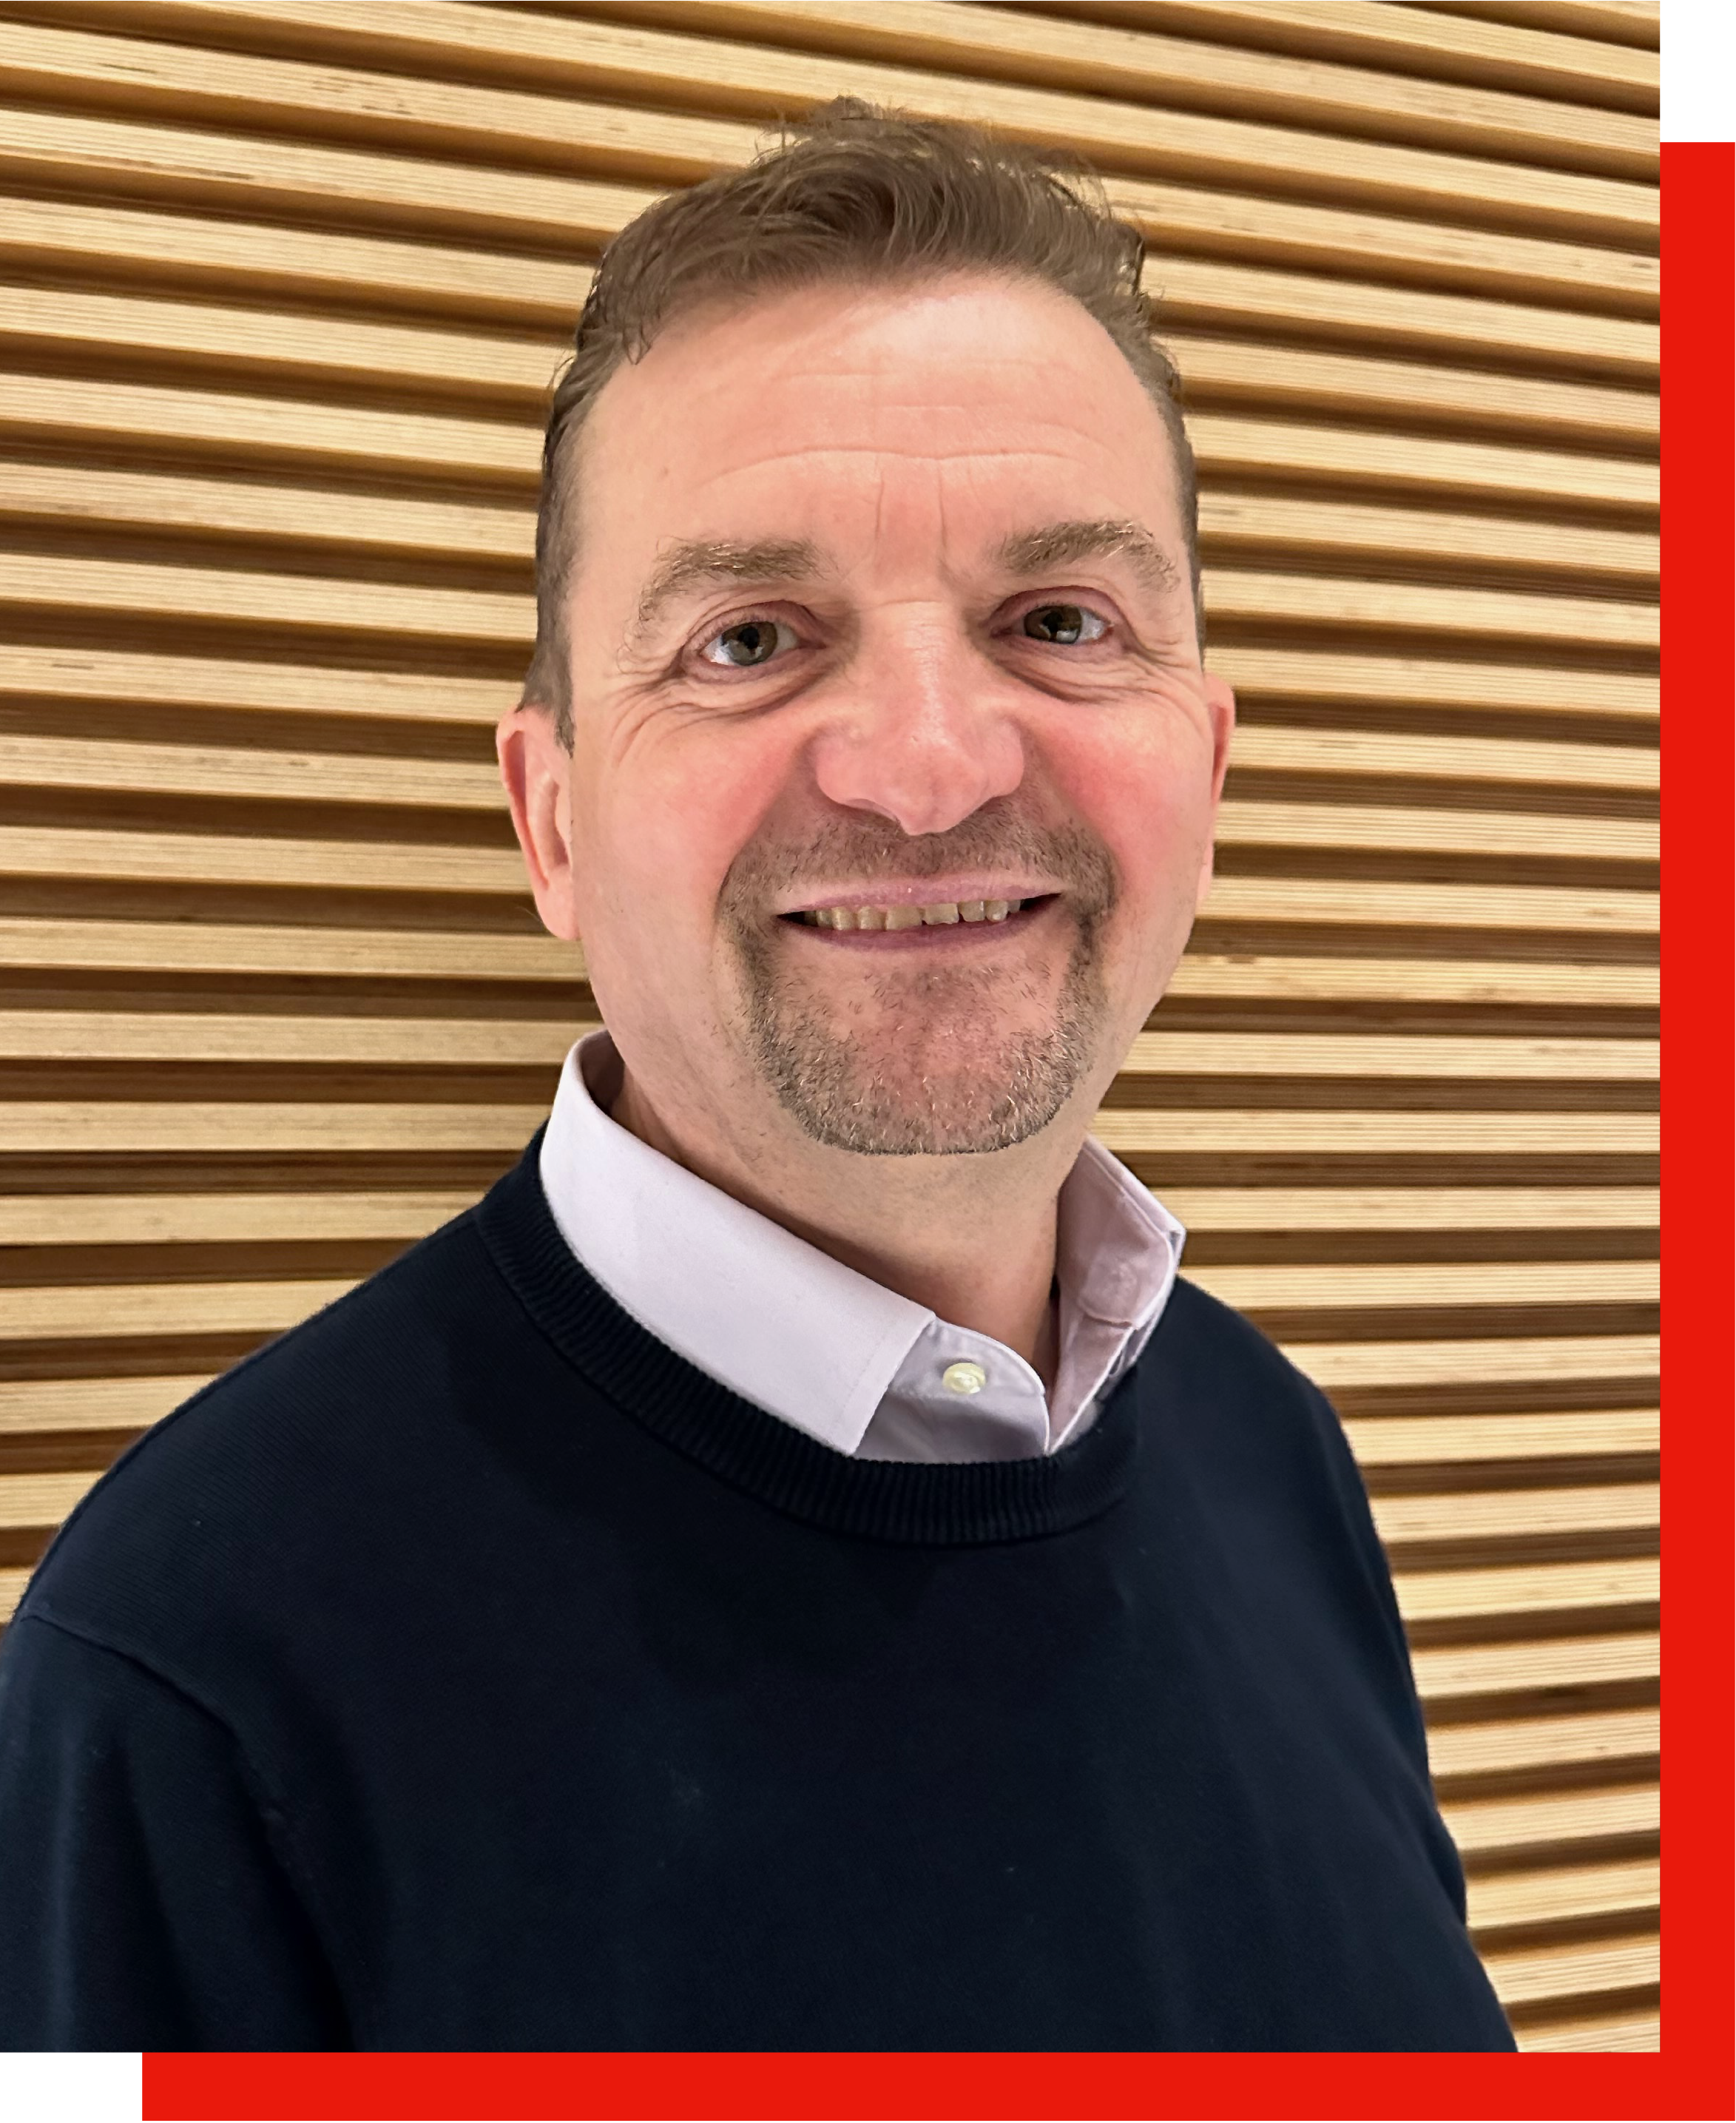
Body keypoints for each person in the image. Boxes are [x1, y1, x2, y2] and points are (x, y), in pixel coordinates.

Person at [0, 103, 1514, 2051]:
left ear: (1206, 763)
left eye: (1061, 621)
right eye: (750, 639)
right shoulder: (198, 1686)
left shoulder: (1277, 1456)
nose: (931, 763)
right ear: (550, 820)